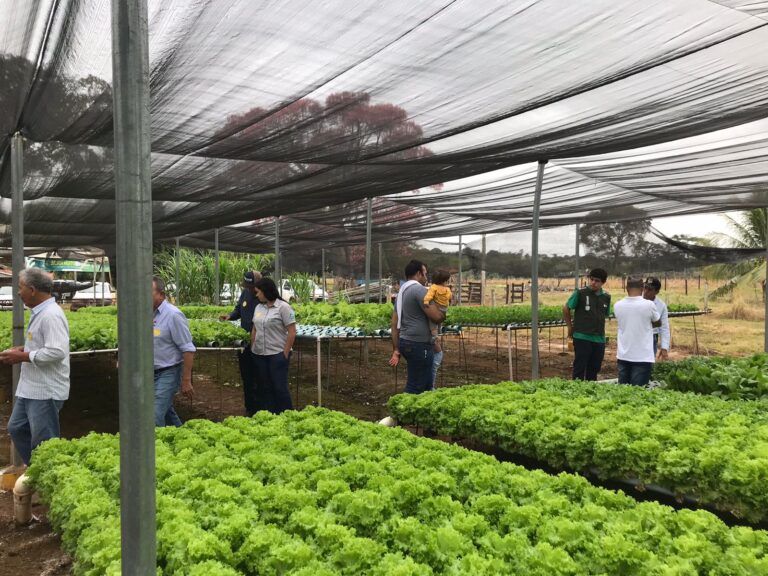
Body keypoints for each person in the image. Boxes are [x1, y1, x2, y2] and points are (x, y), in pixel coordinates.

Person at [1, 269, 69, 465]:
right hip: (30, 388)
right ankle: (37, 469)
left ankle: (48, 473)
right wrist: (24, 349)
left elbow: (57, 351)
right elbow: (45, 345)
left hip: (45, 390)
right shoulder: (40, 312)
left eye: (20, 288)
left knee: (44, 441)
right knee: (17, 427)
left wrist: (23, 356)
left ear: (32, 290)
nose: (18, 292)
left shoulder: (51, 315)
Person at [389, 260, 446, 394]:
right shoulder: (419, 290)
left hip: (406, 342)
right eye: (425, 273)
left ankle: (414, 406)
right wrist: (444, 306)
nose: (426, 277)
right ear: (419, 274)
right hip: (418, 345)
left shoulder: (402, 292)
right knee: (416, 387)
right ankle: (402, 406)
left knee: (425, 386)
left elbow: (394, 323)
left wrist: (396, 348)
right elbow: (437, 317)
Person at [152, 276, 195, 427]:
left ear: (161, 294)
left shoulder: (173, 315)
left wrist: (186, 380)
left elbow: (188, 349)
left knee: (153, 414)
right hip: (150, 372)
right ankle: (183, 435)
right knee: (166, 412)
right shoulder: (144, 314)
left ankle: (156, 442)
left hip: (168, 372)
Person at [250, 277, 296, 414]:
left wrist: (285, 352)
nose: (257, 295)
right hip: (259, 354)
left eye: (258, 292)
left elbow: (292, 331)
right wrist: (253, 347)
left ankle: (287, 415)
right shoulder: (259, 307)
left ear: (266, 291)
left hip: (277, 354)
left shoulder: (283, 307)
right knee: (265, 387)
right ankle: (270, 415)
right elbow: (254, 328)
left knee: (279, 387)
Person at [219, 270, 261, 416]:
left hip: (260, 343)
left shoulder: (263, 296)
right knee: (246, 375)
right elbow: (238, 310)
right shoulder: (245, 293)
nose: (249, 288)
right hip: (244, 343)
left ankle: (260, 408)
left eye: (251, 286)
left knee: (258, 376)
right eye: (247, 285)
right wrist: (229, 316)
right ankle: (250, 407)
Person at [563, 268, 611, 381]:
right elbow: (566, 308)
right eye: (591, 279)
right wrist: (570, 326)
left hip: (599, 338)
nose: (593, 282)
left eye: (597, 281)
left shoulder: (606, 297)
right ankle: (577, 389)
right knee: (579, 367)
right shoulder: (580, 293)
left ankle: (590, 389)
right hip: (582, 336)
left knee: (594, 368)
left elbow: (604, 314)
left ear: (603, 282)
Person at [613, 276, 661, 385]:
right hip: (642, 356)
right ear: (642, 288)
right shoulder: (649, 305)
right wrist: (647, 323)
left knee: (623, 390)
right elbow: (658, 322)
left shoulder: (617, 305)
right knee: (638, 391)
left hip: (623, 355)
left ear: (626, 288)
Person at [423, 269, 452, 389]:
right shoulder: (447, 289)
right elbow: (450, 297)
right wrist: (448, 300)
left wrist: (426, 302)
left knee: (432, 324)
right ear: (445, 280)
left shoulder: (433, 287)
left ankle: (434, 336)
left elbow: (429, 296)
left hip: (436, 307)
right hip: (444, 309)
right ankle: (436, 335)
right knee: (439, 322)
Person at [643, 276, 670, 361]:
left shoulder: (661, 305)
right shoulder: (637, 300)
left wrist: (664, 347)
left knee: (649, 362)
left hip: (651, 337)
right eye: (645, 287)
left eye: (650, 289)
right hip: (636, 335)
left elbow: (664, 327)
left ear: (657, 292)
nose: (646, 291)